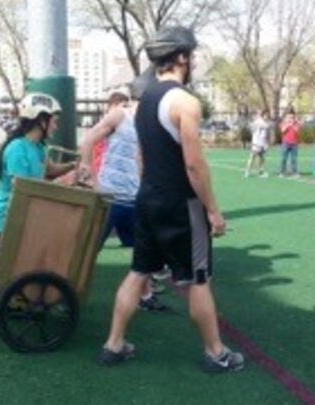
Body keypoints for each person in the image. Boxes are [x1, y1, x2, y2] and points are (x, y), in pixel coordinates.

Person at [98, 26, 245, 373]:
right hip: (181, 204)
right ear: (181, 57)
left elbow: (140, 158)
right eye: (190, 55)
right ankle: (216, 353)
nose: (192, 60)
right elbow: (194, 164)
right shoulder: (184, 101)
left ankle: (114, 345)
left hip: (146, 198)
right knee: (198, 278)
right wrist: (213, 211)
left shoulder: (143, 99)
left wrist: (151, 187)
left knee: (138, 272)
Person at [79, 82, 168, 311]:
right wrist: (91, 179)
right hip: (109, 198)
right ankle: (67, 290)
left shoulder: (151, 123)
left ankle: (145, 296)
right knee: (88, 250)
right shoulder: (120, 115)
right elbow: (88, 140)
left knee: (144, 250)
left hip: (135, 199)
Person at [0, 93, 76, 256]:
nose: (56, 127)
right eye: (54, 122)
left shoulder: (39, 147)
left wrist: (73, 166)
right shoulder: (17, 148)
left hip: (26, 221)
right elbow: (24, 189)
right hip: (7, 225)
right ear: (41, 121)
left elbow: (49, 170)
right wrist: (63, 185)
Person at [244, 108, 273, 178]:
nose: (267, 116)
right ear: (263, 115)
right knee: (252, 157)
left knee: (262, 158)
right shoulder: (261, 122)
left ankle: (260, 172)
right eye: (266, 115)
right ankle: (247, 171)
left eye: (268, 115)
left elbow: (265, 131)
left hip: (262, 143)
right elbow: (267, 126)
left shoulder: (259, 121)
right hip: (257, 143)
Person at [279, 109, 302, 178]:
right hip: (286, 143)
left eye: (292, 117)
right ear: (286, 117)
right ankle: (282, 172)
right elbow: (282, 130)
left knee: (294, 159)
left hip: (294, 143)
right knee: (284, 158)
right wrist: (287, 124)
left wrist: (293, 124)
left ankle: (294, 172)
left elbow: (297, 131)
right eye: (289, 117)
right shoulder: (283, 123)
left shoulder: (296, 124)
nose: (290, 119)